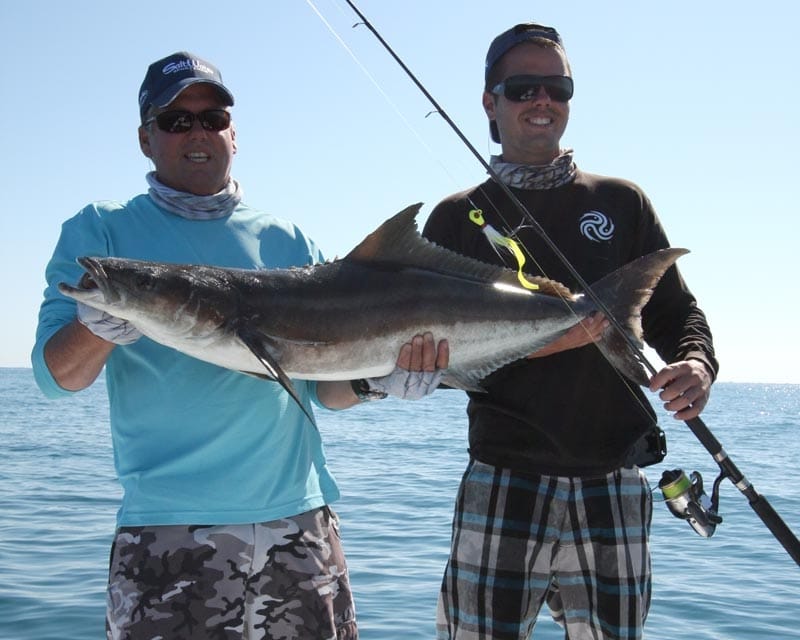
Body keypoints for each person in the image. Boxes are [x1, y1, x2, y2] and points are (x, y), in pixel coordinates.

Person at [31, 52, 447, 640]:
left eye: (213, 117)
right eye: (176, 121)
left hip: (299, 523)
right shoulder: (101, 231)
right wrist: (95, 328)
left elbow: (323, 389)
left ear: (234, 133)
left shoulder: (289, 239)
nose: (197, 133)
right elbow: (56, 376)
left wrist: (378, 380)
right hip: (170, 532)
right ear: (145, 139)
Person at [422, 24, 718, 640]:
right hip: (502, 473)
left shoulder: (622, 202)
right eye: (523, 86)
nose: (542, 100)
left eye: (557, 87)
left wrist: (695, 363)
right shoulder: (454, 218)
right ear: (490, 103)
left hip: (616, 476)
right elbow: (435, 355)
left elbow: (676, 313)